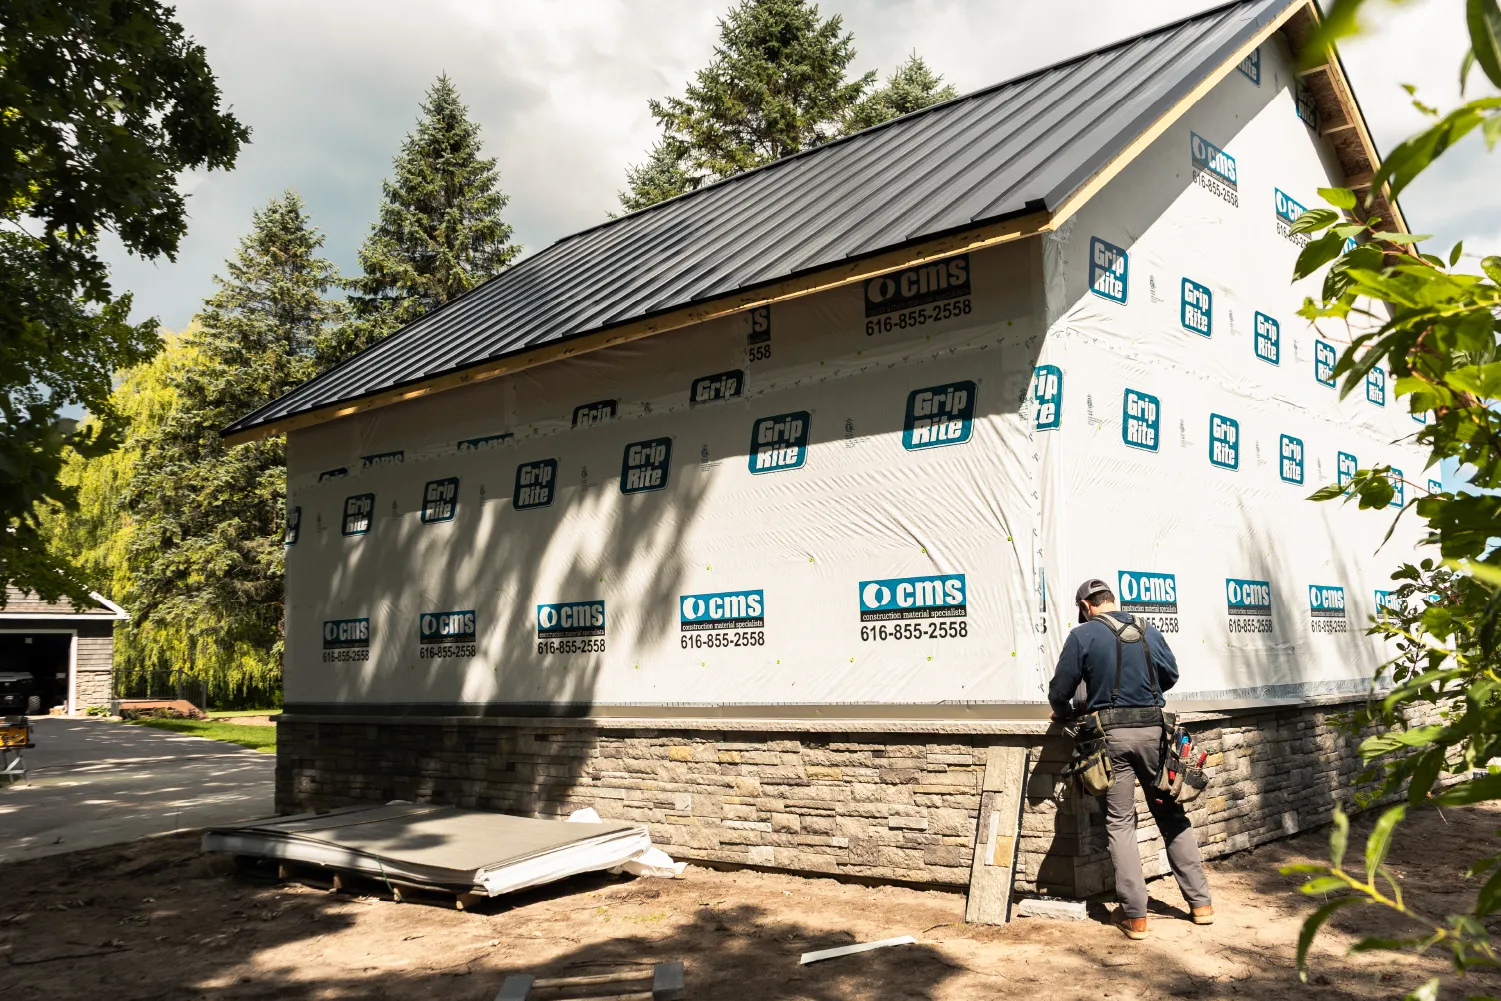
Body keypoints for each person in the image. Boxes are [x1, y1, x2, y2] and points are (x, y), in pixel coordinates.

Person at [1048, 578, 1214, 940]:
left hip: (1111, 739)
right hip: (1155, 733)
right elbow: (1169, 674)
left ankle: (1135, 916)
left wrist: (1065, 712)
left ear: (1085, 606)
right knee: (1170, 812)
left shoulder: (1083, 635)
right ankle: (1201, 904)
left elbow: (1060, 691)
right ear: (1111, 600)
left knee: (1120, 821)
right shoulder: (1147, 628)